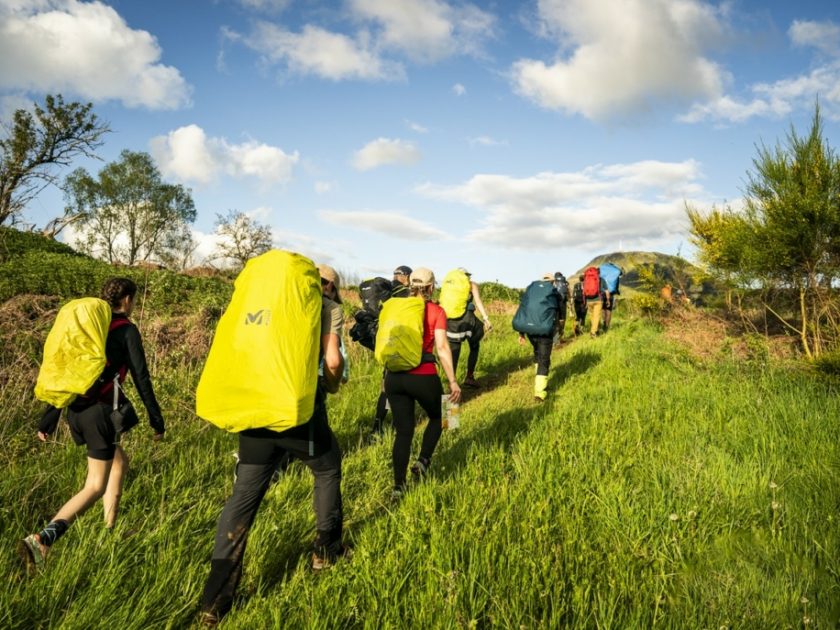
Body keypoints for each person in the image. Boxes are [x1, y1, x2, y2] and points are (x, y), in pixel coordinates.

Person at [199, 262, 347, 625]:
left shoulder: (263, 306)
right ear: (326, 286)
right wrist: (329, 384)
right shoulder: (328, 308)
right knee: (327, 469)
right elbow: (332, 359)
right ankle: (325, 552)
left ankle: (214, 601)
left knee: (244, 496)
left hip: (254, 413)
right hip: (299, 416)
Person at [19, 277, 165, 574]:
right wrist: (156, 418)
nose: (133, 305)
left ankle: (109, 528)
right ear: (126, 300)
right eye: (133, 300)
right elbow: (141, 378)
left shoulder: (89, 330)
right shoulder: (126, 330)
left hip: (76, 411)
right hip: (100, 414)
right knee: (95, 484)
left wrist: (49, 418)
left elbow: (69, 373)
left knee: (119, 462)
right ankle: (43, 539)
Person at [384, 267, 461, 499]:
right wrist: (453, 381)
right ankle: (424, 460)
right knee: (445, 414)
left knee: (403, 432)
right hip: (423, 374)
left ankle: (398, 487)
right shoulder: (436, 311)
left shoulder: (395, 307)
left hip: (394, 377)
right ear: (430, 287)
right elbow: (442, 347)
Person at [371, 265, 413, 436]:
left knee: (387, 389)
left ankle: (377, 428)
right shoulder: (410, 297)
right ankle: (451, 424)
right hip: (414, 356)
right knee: (448, 388)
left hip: (388, 347)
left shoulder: (386, 293)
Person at [444, 268, 492, 388]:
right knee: (475, 346)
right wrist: (486, 318)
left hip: (451, 323)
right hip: (468, 322)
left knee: (453, 355)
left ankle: (450, 396)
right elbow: (478, 302)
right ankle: (469, 377)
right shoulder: (471, 285)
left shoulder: (449, 286)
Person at [517, 275, 562, 402]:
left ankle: (539, 380)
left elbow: (524, 312)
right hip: (545, 331)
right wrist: (558, 331)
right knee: (544, 359)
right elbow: (559, 313)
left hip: (530, 331)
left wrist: (521, 333)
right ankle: (540, 392)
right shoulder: (554, 293)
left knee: (537, 353)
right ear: (552, 282)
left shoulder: (532, 292)